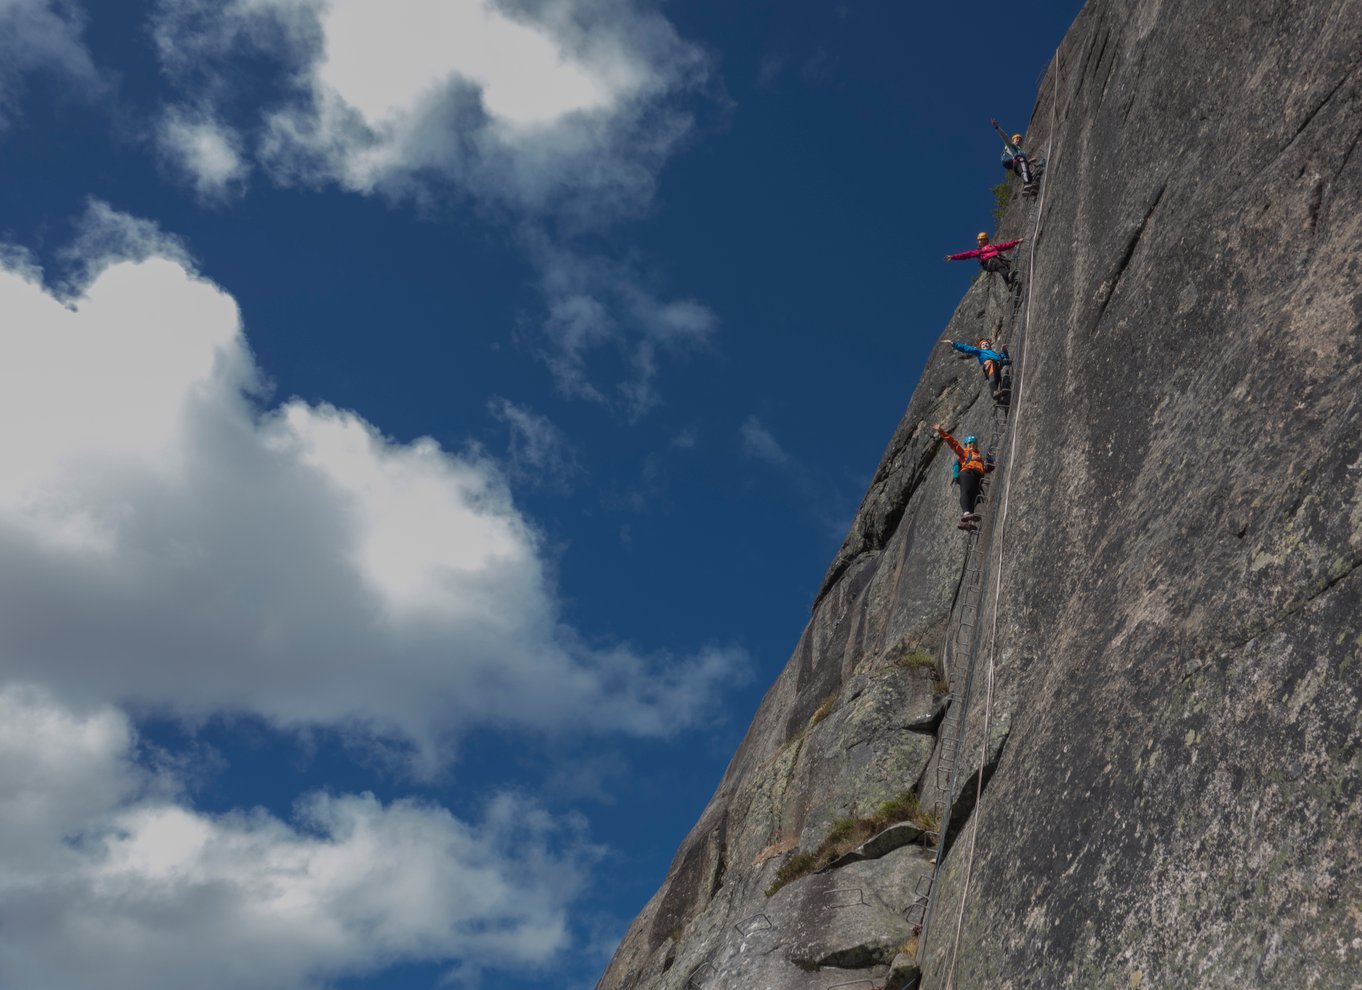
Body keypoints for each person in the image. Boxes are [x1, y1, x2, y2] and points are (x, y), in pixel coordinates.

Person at [933, 424, 994, 529]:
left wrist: (990, 460)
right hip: (967, 473)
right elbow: (953, 443)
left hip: (977, 477)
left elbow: (987, 469)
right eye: (969, 444)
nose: (971, 446)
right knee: (965, 492)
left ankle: (967, 523)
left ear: (976, 445)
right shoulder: (964, 453)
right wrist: (941, 431)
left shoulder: (980, 457)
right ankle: (965, 514)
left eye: (973, 444)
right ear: (966, 445)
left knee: (973, 498)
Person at [944, 337, 1011, 399]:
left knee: (997, 379)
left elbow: (1003, 359)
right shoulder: (980, 352)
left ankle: (999, 397)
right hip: (989, 363)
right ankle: (994, 392)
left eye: (986, 344)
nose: (985, 345)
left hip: (997, 366)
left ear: (990, 345)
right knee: (992, 370)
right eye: (983, 344)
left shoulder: (996, 355)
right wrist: (954, 344)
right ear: (980, 347)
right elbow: (967, 348)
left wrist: (1004, 351)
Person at [945, 233, 1022, 287]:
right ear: (978, 242)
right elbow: (966, 255)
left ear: (986, 240)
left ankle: (1009, 283)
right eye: (980, 240)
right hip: (988, 262)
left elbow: (1005, 246)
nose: (981, 241)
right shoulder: (978, 251)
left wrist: (1016, 242)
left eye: (983, 239)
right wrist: (953, 257)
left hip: (998, 258)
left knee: (1005, 264)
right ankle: (1008, 276)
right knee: (997, 263)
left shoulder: (993, 247)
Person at [991, 119, 1034, 185]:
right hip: (1007, 159)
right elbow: (1004, 136)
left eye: (1019, 140)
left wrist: (1030, 161)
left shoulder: (1020, 151)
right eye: (1017, 138)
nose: (1018, 140)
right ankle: (1027, 181)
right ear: (1013, 139)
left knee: (1024, 168)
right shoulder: (1010, 144)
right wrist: (997, 127)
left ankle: (1028, 184)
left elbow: (1024, 163)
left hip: (1014, 163)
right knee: (1021, 158)